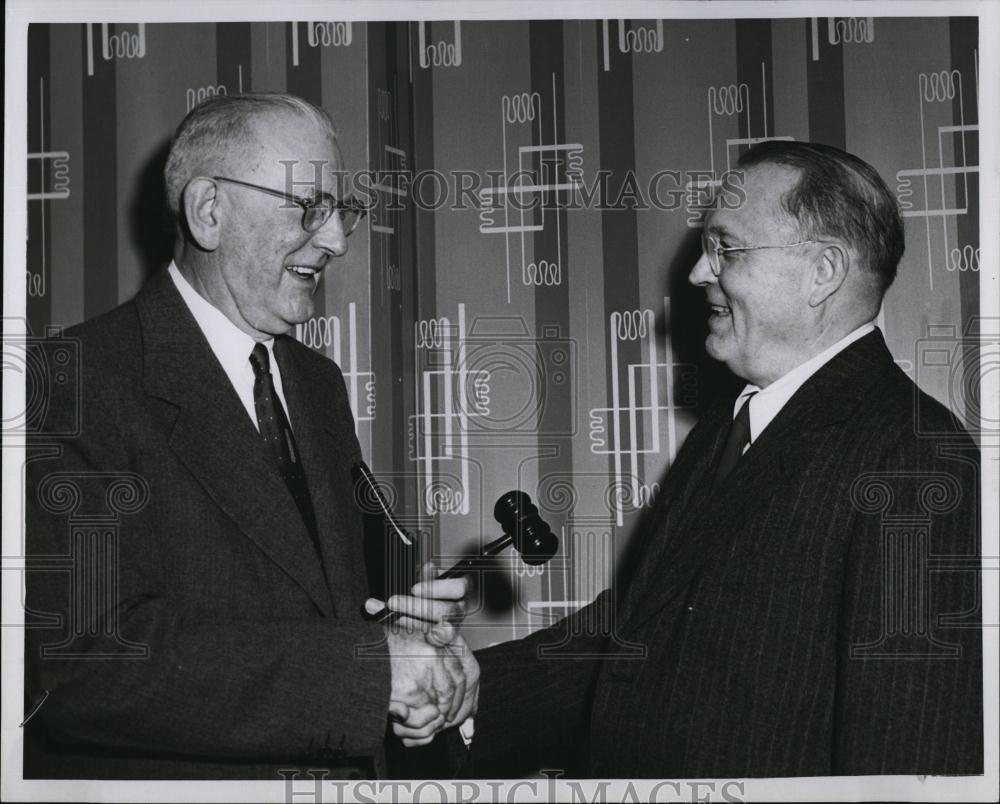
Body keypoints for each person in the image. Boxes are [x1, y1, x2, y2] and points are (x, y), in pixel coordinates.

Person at [387, 141, 983, 777]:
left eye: (727, 247)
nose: (700, 272)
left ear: (824, 271)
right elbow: (639, 629)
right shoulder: (729, 426)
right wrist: (468, 693)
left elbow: (910, 752)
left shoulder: (913, 454)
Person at [23, 92, 477, 780]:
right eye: (308, 207)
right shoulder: (77, 381)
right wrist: (369, 673)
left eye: (340, 211)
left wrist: (413, 641)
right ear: (209, 211)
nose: (336, 241)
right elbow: (86, 661)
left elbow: (328, 602)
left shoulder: (316, 383)